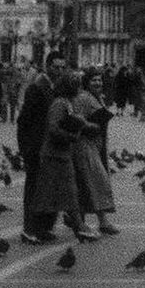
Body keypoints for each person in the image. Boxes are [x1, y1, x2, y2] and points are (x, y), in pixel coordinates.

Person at [31, 71, 98, 242]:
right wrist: (71, 135)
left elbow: (71, 122)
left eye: (78, 82)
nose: (77, 86)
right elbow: (53, 128)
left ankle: (40, 228)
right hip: (55, 154)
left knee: (50, 194)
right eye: (73, 83)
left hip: (60, 153)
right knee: (67, 192)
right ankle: (79, 227)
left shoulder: (66, 102)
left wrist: (85, 126)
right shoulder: (59, 104)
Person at [16, 54, 63, 243]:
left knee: (50, 188)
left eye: (62, 67)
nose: (59, 71)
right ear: (47, 66)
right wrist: (26, 147)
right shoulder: (36, 87)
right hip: (36, 146)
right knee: (34, 188)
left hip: (52, 146)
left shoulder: (57, 88)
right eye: (56, 67)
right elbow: (24, 120)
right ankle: (29, 229)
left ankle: (44, 227)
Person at [71, 70, 118, 236]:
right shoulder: (83, 98)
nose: (97, 83)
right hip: (85, 144)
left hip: (96, 144)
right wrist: (89, 126)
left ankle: (93, 221)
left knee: (90, 182)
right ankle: (97, 221)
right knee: (97, 180)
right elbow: (75, 120)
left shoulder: (98, 97)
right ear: (87, 82)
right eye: (94, 80)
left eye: (99, 80)